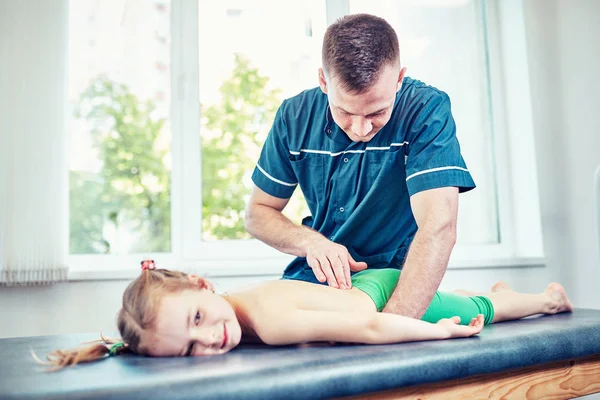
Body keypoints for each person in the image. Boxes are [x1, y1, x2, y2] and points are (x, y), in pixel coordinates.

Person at [245, 13, 475, 319]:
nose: (361, 129)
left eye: (377, 112)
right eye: (344, 112)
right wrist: (311, 242)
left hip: (394, 278)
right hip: (319, 277)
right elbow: (257, 213)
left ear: (399, 79)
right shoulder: (294, 116)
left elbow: (439, 226)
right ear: (323, 81)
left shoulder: (426, 110)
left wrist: (391, 328)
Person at [41, 260, 573, 368]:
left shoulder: (268, 319)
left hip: (380, 295)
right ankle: (500, 291)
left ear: (205, 284)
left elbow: (368, 325)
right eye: (188, 348)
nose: (209, 341)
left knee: (479, 310)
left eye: (198, 320)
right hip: (358, 291)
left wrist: (434, 333)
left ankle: (545, 297)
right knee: (469, 298)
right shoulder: (235, 312)